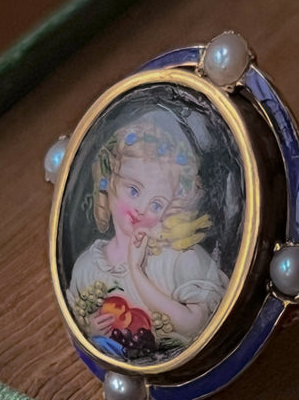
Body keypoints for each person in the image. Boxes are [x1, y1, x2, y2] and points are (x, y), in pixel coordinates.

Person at [68, 108, 228, 362]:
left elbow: (195, 326)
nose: (141, 209)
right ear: (109, 182)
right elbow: (79, 321)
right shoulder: (87, 267)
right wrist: (92, 329)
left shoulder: (180, 259)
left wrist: (137, 271)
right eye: (133, 190)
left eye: (156, 204)